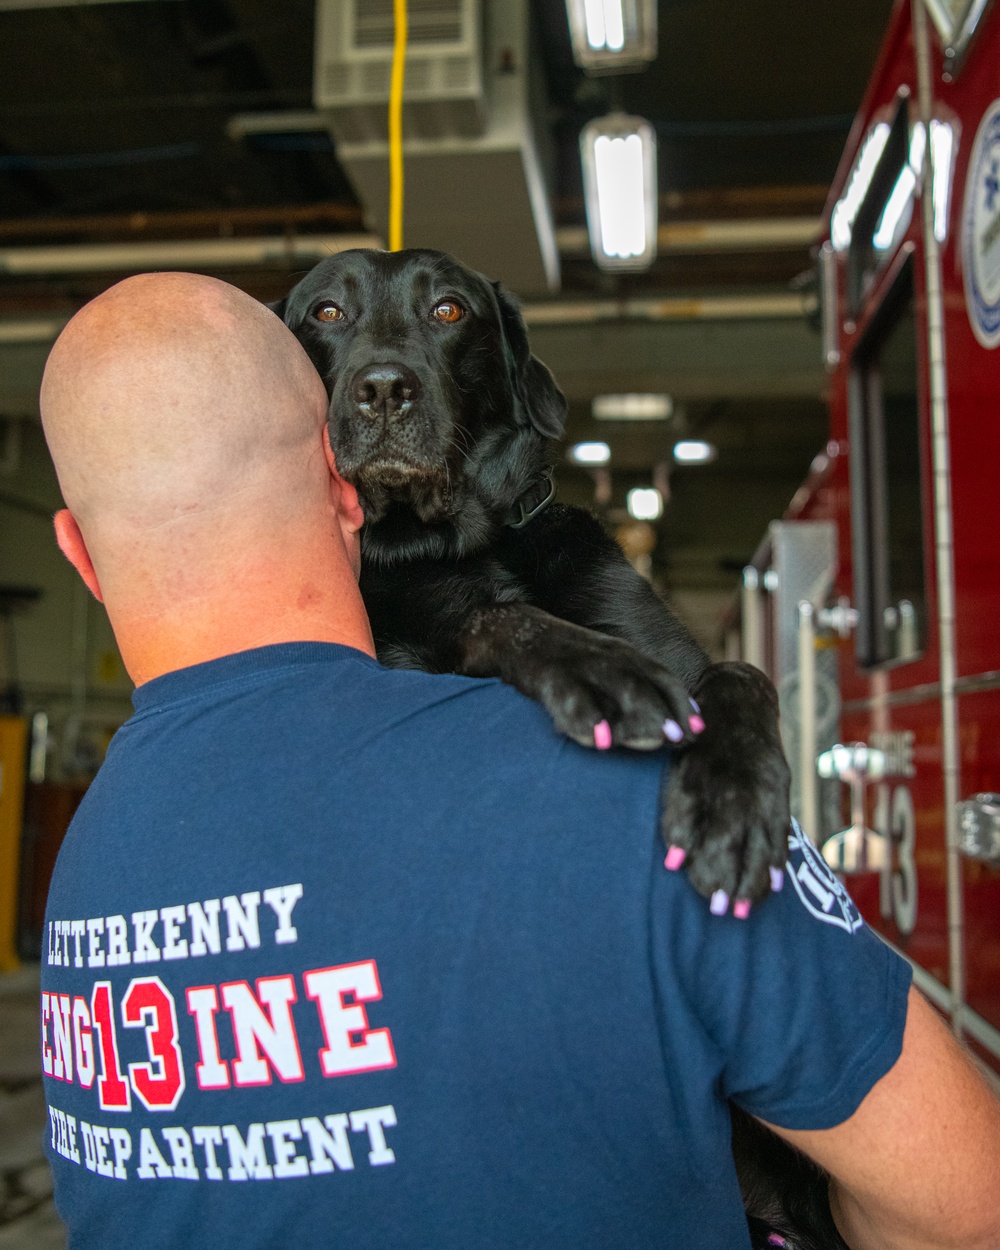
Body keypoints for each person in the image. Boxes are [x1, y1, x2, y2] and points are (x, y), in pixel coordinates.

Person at [38, 271, 1000, 1250]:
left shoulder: (80, 875)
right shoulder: (635, 786)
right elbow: (966, 1204)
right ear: (341, 485)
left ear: (76, 550)